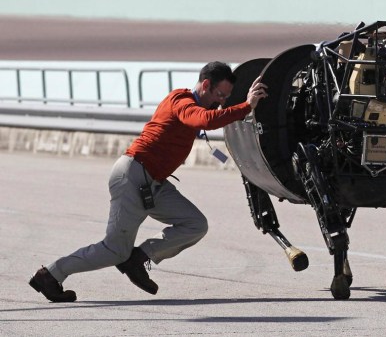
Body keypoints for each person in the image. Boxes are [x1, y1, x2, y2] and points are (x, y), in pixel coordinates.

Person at [29, 61, 267, 302]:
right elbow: (204, 119)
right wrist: (246, 106)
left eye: (225, 98)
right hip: (133, 176)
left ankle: (138, 258)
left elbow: (211, 118)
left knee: (195, 224)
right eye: (219, 95)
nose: (221, 102)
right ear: (205, 84)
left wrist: (248, 108)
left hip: (154, 184)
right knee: (114, 250)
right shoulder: (181, 101)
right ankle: (50, 275)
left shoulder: (196, 104)